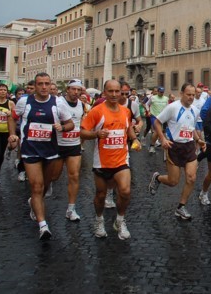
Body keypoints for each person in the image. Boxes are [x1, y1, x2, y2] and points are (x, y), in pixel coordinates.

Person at [15, 73, 74, 240]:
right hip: (30, 150)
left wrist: (62, 127)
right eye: (40, 84)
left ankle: (33, 203)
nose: (43, 87)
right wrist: (13, 135)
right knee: (37, 187)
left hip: (51, 151)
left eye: (46, 84)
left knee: (47, 185)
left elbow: (70, 124)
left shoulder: (58, 103)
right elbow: (12, 117)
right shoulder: (24, 102)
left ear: (50, 85)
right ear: (35, 85)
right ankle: (43, 226)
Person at [80, 79, 140, 240]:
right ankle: (99, 220)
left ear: (121, 92)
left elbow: (128, 129)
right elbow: (82, 132)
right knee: (101, 195)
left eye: (117, 91)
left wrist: (134, 139)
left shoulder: (125, 111)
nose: (114, 94)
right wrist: (96, 134)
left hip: (121, 160)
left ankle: (120, 220)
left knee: (125, 191)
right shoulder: (97, 111)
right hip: (102, 162)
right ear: (104, 92)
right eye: (110, 91)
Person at [148, 83, 206, 220]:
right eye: (188, 94)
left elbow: (191, 128)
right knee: (173, 181)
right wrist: (162, 139)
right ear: (181, 94)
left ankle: (181, 207)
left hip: (189, 147)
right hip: (174, 147)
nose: (191, 97)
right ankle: (157, 178)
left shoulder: (194, 110)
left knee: (191, 178)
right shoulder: (173, 107)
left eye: (193, 95)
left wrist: (198, 140)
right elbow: (157, 122)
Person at [56, 79, 87, 221]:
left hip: (74, 144)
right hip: (57, 144)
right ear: (67, 89)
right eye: (73, 89)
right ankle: (37, 198)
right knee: (53, 177)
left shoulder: (82, 105)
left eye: (79, 90)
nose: (76, 92)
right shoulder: (58, 102)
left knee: (74, 176)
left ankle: (71, 208)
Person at [146, 87, 168, 154]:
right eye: (160, 92)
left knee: (160, 131)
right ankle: (153, 146)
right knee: (157, 131)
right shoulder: (153, 98)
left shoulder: (166, 98)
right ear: (158, 92)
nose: (162, 93)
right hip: (154, 116)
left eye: (163, 92)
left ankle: (153, 145)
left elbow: (167, 107)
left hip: (162, 117)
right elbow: (147, 104)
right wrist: (148, 111)